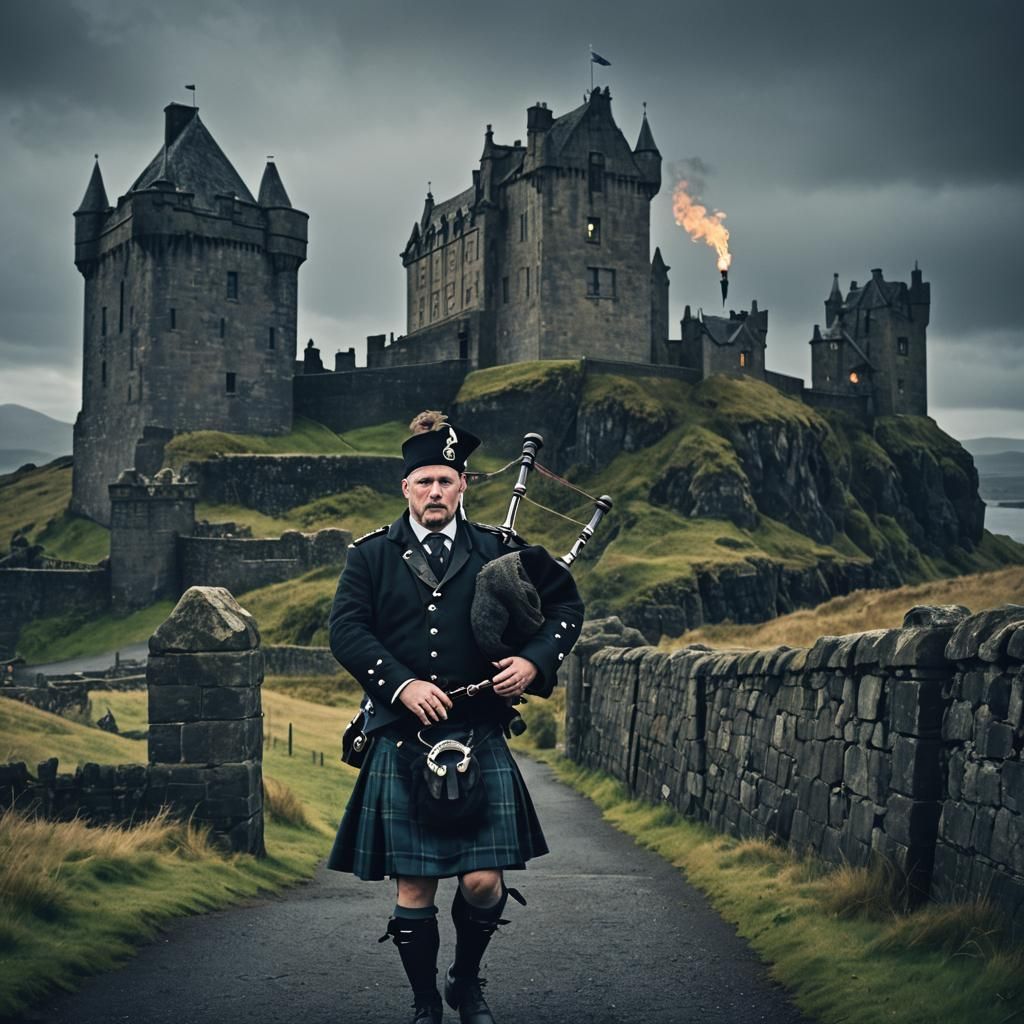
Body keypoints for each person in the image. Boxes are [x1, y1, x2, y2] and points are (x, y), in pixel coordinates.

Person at [327, 419, 585, 1024]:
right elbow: (347, 632)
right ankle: (424, 1004)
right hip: (402, 737)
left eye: (446, 480)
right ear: (406, 488)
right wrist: (403, 684)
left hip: (479, 729)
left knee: (482, 883)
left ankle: (465, 981)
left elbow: (566, 607)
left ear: (463, 485)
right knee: (414, 888)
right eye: (425, 481)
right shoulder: (370, 557)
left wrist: (533, 661)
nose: (436, 490)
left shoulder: (498, 550)